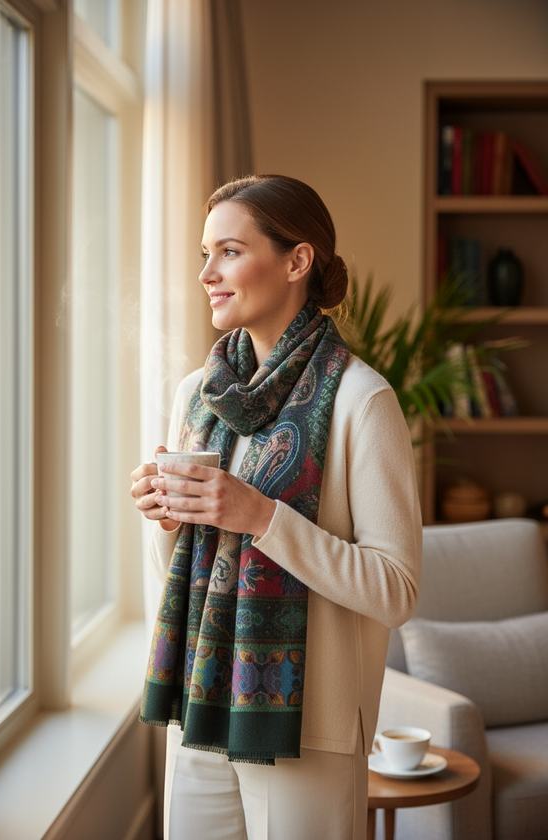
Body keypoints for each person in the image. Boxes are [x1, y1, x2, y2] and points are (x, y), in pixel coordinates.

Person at [130, 174, 422, 840]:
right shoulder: (197, 395)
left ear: (297, 261)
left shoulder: (360, 401)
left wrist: (262, 518)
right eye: (205, 254)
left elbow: (396, 590)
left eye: (229, 251)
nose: (207, 273)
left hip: (308, 727)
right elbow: (177, 572)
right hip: (201, 704)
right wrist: (167, 517)